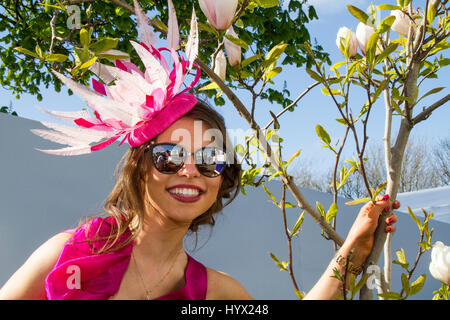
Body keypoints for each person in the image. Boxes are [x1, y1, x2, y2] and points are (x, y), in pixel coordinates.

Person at [0, 7, 399, 300]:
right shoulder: (67, 255)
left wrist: (354, 250)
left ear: (222, 177)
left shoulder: (217, 295)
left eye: (210, 160)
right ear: (139, 168)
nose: (190, 170)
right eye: (171, 156)